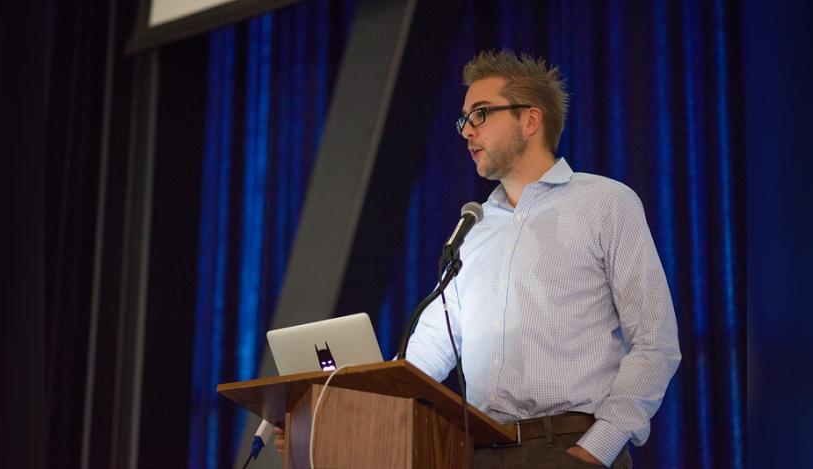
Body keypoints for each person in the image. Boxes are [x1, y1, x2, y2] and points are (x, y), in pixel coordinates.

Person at [276, 50, 680, 469]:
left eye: (481, 114)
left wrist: (599, 445)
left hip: (568, 446)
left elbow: (655, 341)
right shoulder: (473, 229)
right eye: (464, 119)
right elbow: (428, 352)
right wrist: (336, 414)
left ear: (530, 120)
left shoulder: (605, 202)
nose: (467, 131)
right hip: (478, 451)